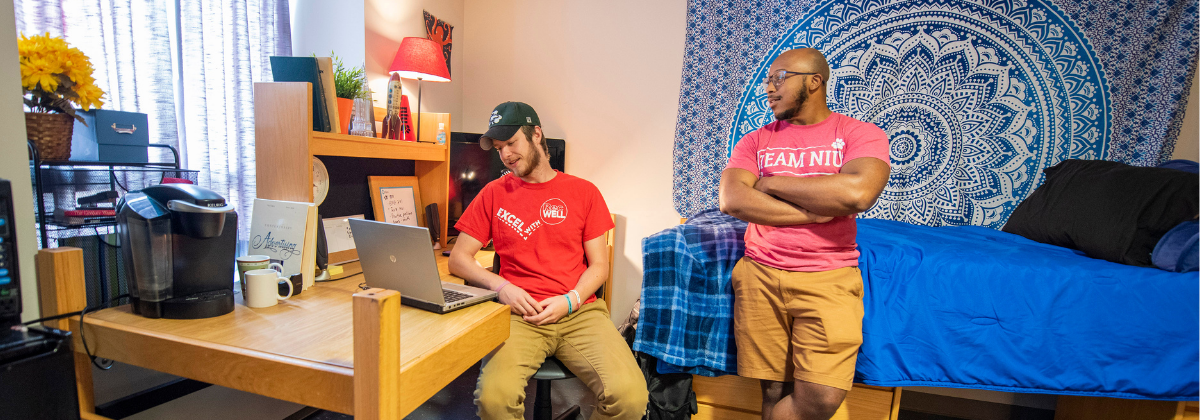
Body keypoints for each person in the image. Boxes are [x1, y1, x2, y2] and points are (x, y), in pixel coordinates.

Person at [718, 48, 891, 420]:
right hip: (760, 273)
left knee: (821, 398)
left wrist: (770, 182)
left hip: (828, 277)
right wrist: (816, 210)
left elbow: (857, 193)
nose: (769, 88)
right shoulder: (755, 140)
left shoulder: (859, 134)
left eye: (779, 77)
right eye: (768, 80)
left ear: (814, 81)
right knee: (773, 391)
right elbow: (733, 200)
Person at [449, 102, 649, 420]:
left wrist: (570, 301)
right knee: (494, 399)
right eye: (499, 148)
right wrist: (502, 288)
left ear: (536, 134)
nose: (505, 155)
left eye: (511, 143)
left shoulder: (584, 192)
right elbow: (459, 259)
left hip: (579, 312)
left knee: (631, 397)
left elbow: (600, 266)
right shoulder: (493, 193)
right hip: (519, 314)